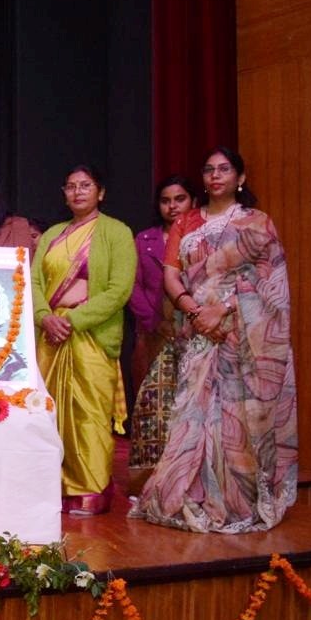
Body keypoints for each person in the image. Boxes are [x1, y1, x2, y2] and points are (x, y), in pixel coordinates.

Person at [130, 148, 297, 533]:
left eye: (224, 169)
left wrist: (222, 309)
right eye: (208, 170)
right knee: (194, 413)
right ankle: (192, 493)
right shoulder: (186, 221)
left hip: (243, 333)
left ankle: (238, 500)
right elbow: (172, 276)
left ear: (240, 177)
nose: (215, 176)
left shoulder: (257, 223)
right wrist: (195, 312)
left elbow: (270, 281)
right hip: (197, 334)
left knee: (235, 417)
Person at [31, 165, 136, 515]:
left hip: (90, 335)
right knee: (48, 414)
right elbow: (33, 282)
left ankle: (90, 490)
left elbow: (118, 290)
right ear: (64, 193)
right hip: (50, 338)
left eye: (86, 185)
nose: (77, 192)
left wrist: (72, 320)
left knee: (89, 414)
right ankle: (50, 487)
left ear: (100, 192)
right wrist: (45, 317)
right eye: (71, 186)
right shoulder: (52, 234)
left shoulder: (116, 232)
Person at [126, 175, 195, 489]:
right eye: (166, 200)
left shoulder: (202, 238)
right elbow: (133, 286)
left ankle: (187, 481)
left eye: (179, 199)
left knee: (189, 408)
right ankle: (149, 484)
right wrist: (155, 323)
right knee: (151, 410)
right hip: (153, 335)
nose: (172, 206)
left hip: (196, 333)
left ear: (192, 201)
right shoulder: (145, 240)